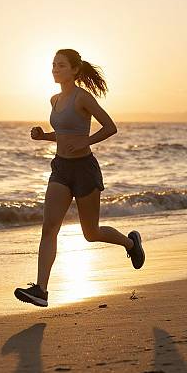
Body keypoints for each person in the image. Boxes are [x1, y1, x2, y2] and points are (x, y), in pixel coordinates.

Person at [14, 49, 145, 307]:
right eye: (53, 65)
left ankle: (131, 243)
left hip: (84, 169)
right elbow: (63, 132)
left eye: (61, 65)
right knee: (49, 228)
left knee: (91, 232)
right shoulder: (54, 100)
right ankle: (41, 290)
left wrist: (86, 141)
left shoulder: (82, 97)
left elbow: (110, 127)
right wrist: (44, 136)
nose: (55, 69)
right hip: (60, 168)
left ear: (74, 70)